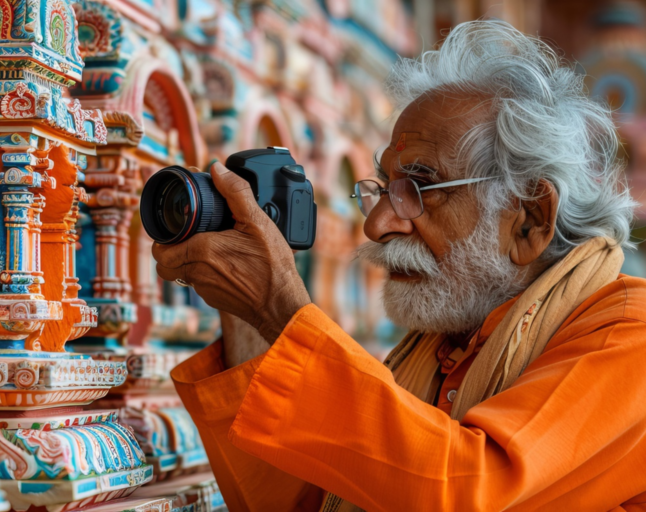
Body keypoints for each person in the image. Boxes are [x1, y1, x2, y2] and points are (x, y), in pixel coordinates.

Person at [156, 20, 646, 511]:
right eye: (382, 189)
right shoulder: (444, 343)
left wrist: (280, 305)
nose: (378, 225)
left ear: (529, 219)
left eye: (418, 189)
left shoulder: (629, 336)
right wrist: (248, 313)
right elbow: (303, 500)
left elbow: (468, 493)